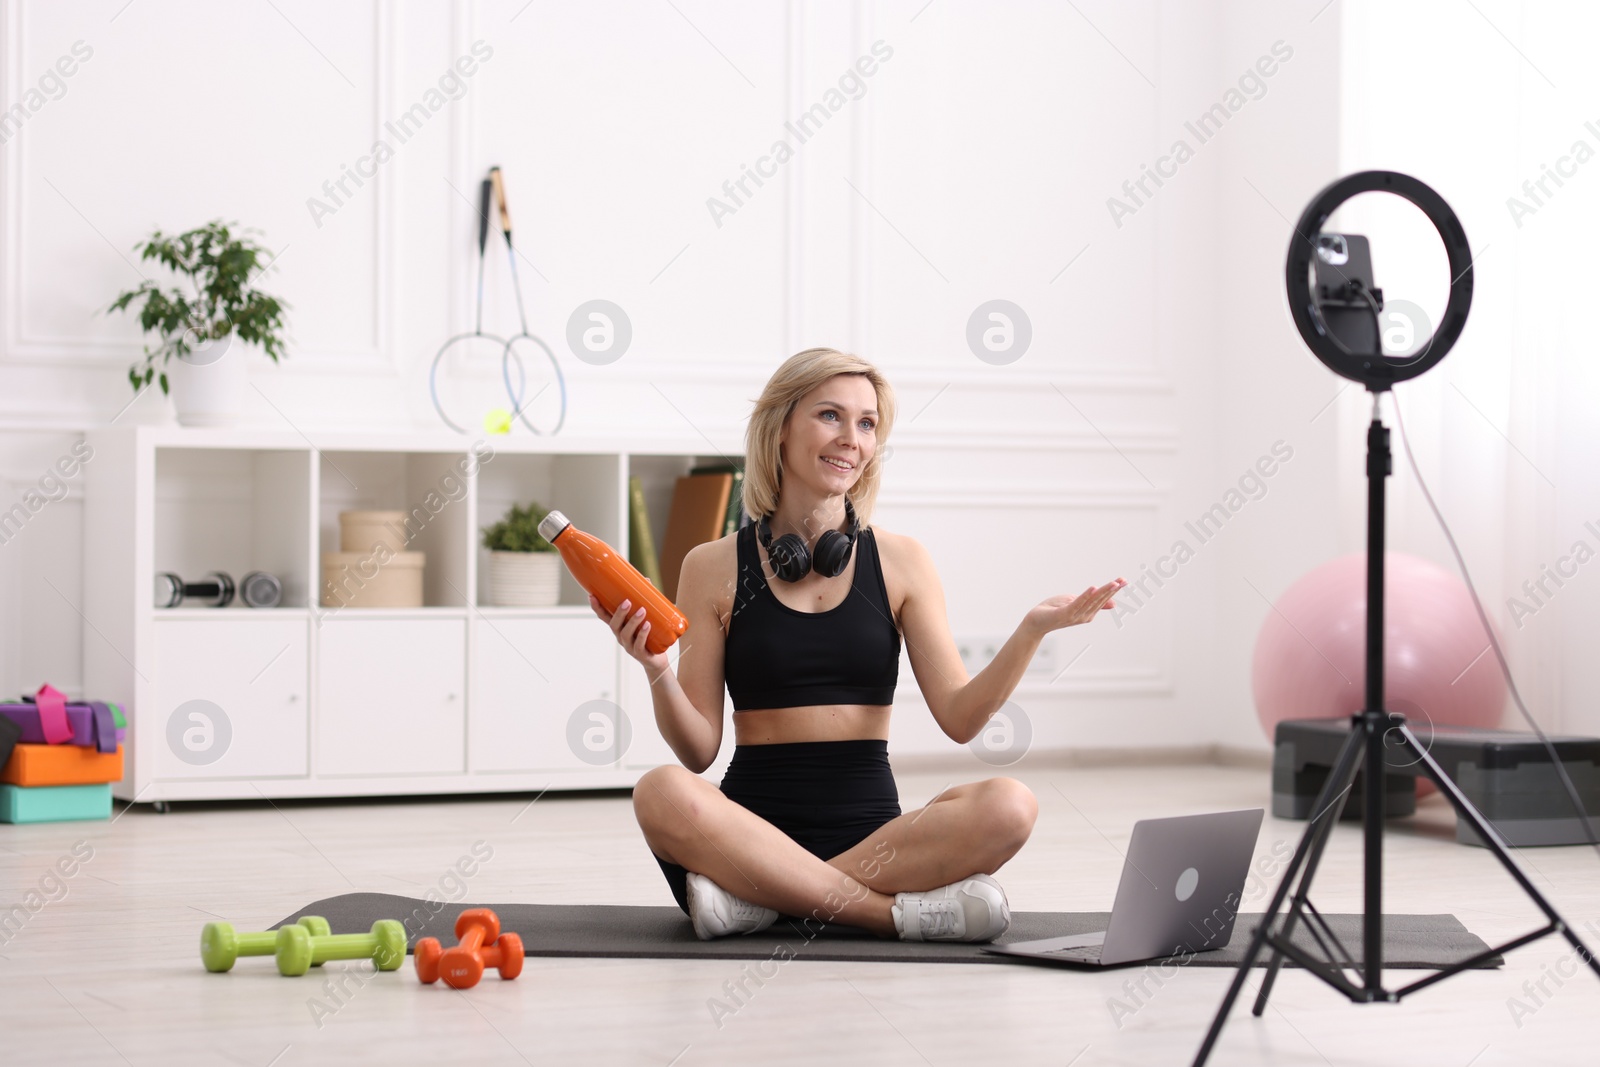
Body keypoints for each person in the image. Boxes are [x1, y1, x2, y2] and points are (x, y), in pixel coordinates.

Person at [590, 348, 1125, 942]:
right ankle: (887, 914)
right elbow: (697, 752)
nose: (852, 438)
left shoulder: (902, 562)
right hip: (748, 830)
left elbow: (961, 718)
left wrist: (1031, 632)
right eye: (830, 416)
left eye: (867, 423)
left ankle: (760, 900)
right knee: (659, 791)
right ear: (781, 428)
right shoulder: (711, 566)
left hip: (875, 841)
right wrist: (657, 670)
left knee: (1011, 804)